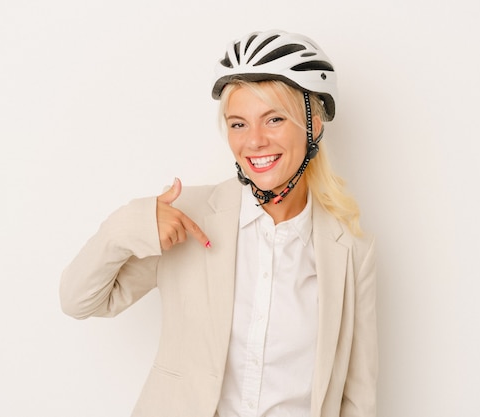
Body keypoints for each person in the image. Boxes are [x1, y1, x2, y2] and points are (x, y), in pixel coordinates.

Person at [60, 29, 378, 417]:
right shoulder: (188, 217)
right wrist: (132, 223)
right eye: (238, 124)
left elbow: (358, 397)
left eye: (274, 119)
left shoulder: (350, 249)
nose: (254, 141)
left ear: (315, 125)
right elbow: (78, 300)